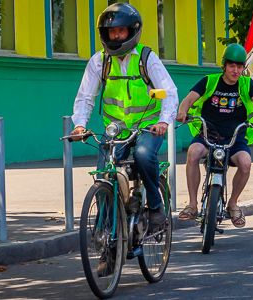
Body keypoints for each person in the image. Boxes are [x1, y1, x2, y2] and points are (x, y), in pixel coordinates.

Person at [69, 3, 178, 227]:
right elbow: (85, 97)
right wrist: (80, 125)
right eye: (112, 32)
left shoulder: (147, 58)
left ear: (132, 31)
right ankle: (106, 230)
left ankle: (156, 206)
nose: (116, 36)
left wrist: (163, 122)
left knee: (143, 154)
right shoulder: (100, 61)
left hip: (148, 127)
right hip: (116, 130)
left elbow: (170, 92)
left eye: (121, 31)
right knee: (104, 173)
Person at [175, 43, 253, 228]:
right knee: (193, 153)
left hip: (234, 138)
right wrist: (182, 111)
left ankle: (233, 203)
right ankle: (192, 205)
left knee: (246, 163)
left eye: (240, 66)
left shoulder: (246, 84)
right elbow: (188, 99)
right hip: (208, 135)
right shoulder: (209, 81)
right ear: (224, 66)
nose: (236, 70)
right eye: (232, 66)